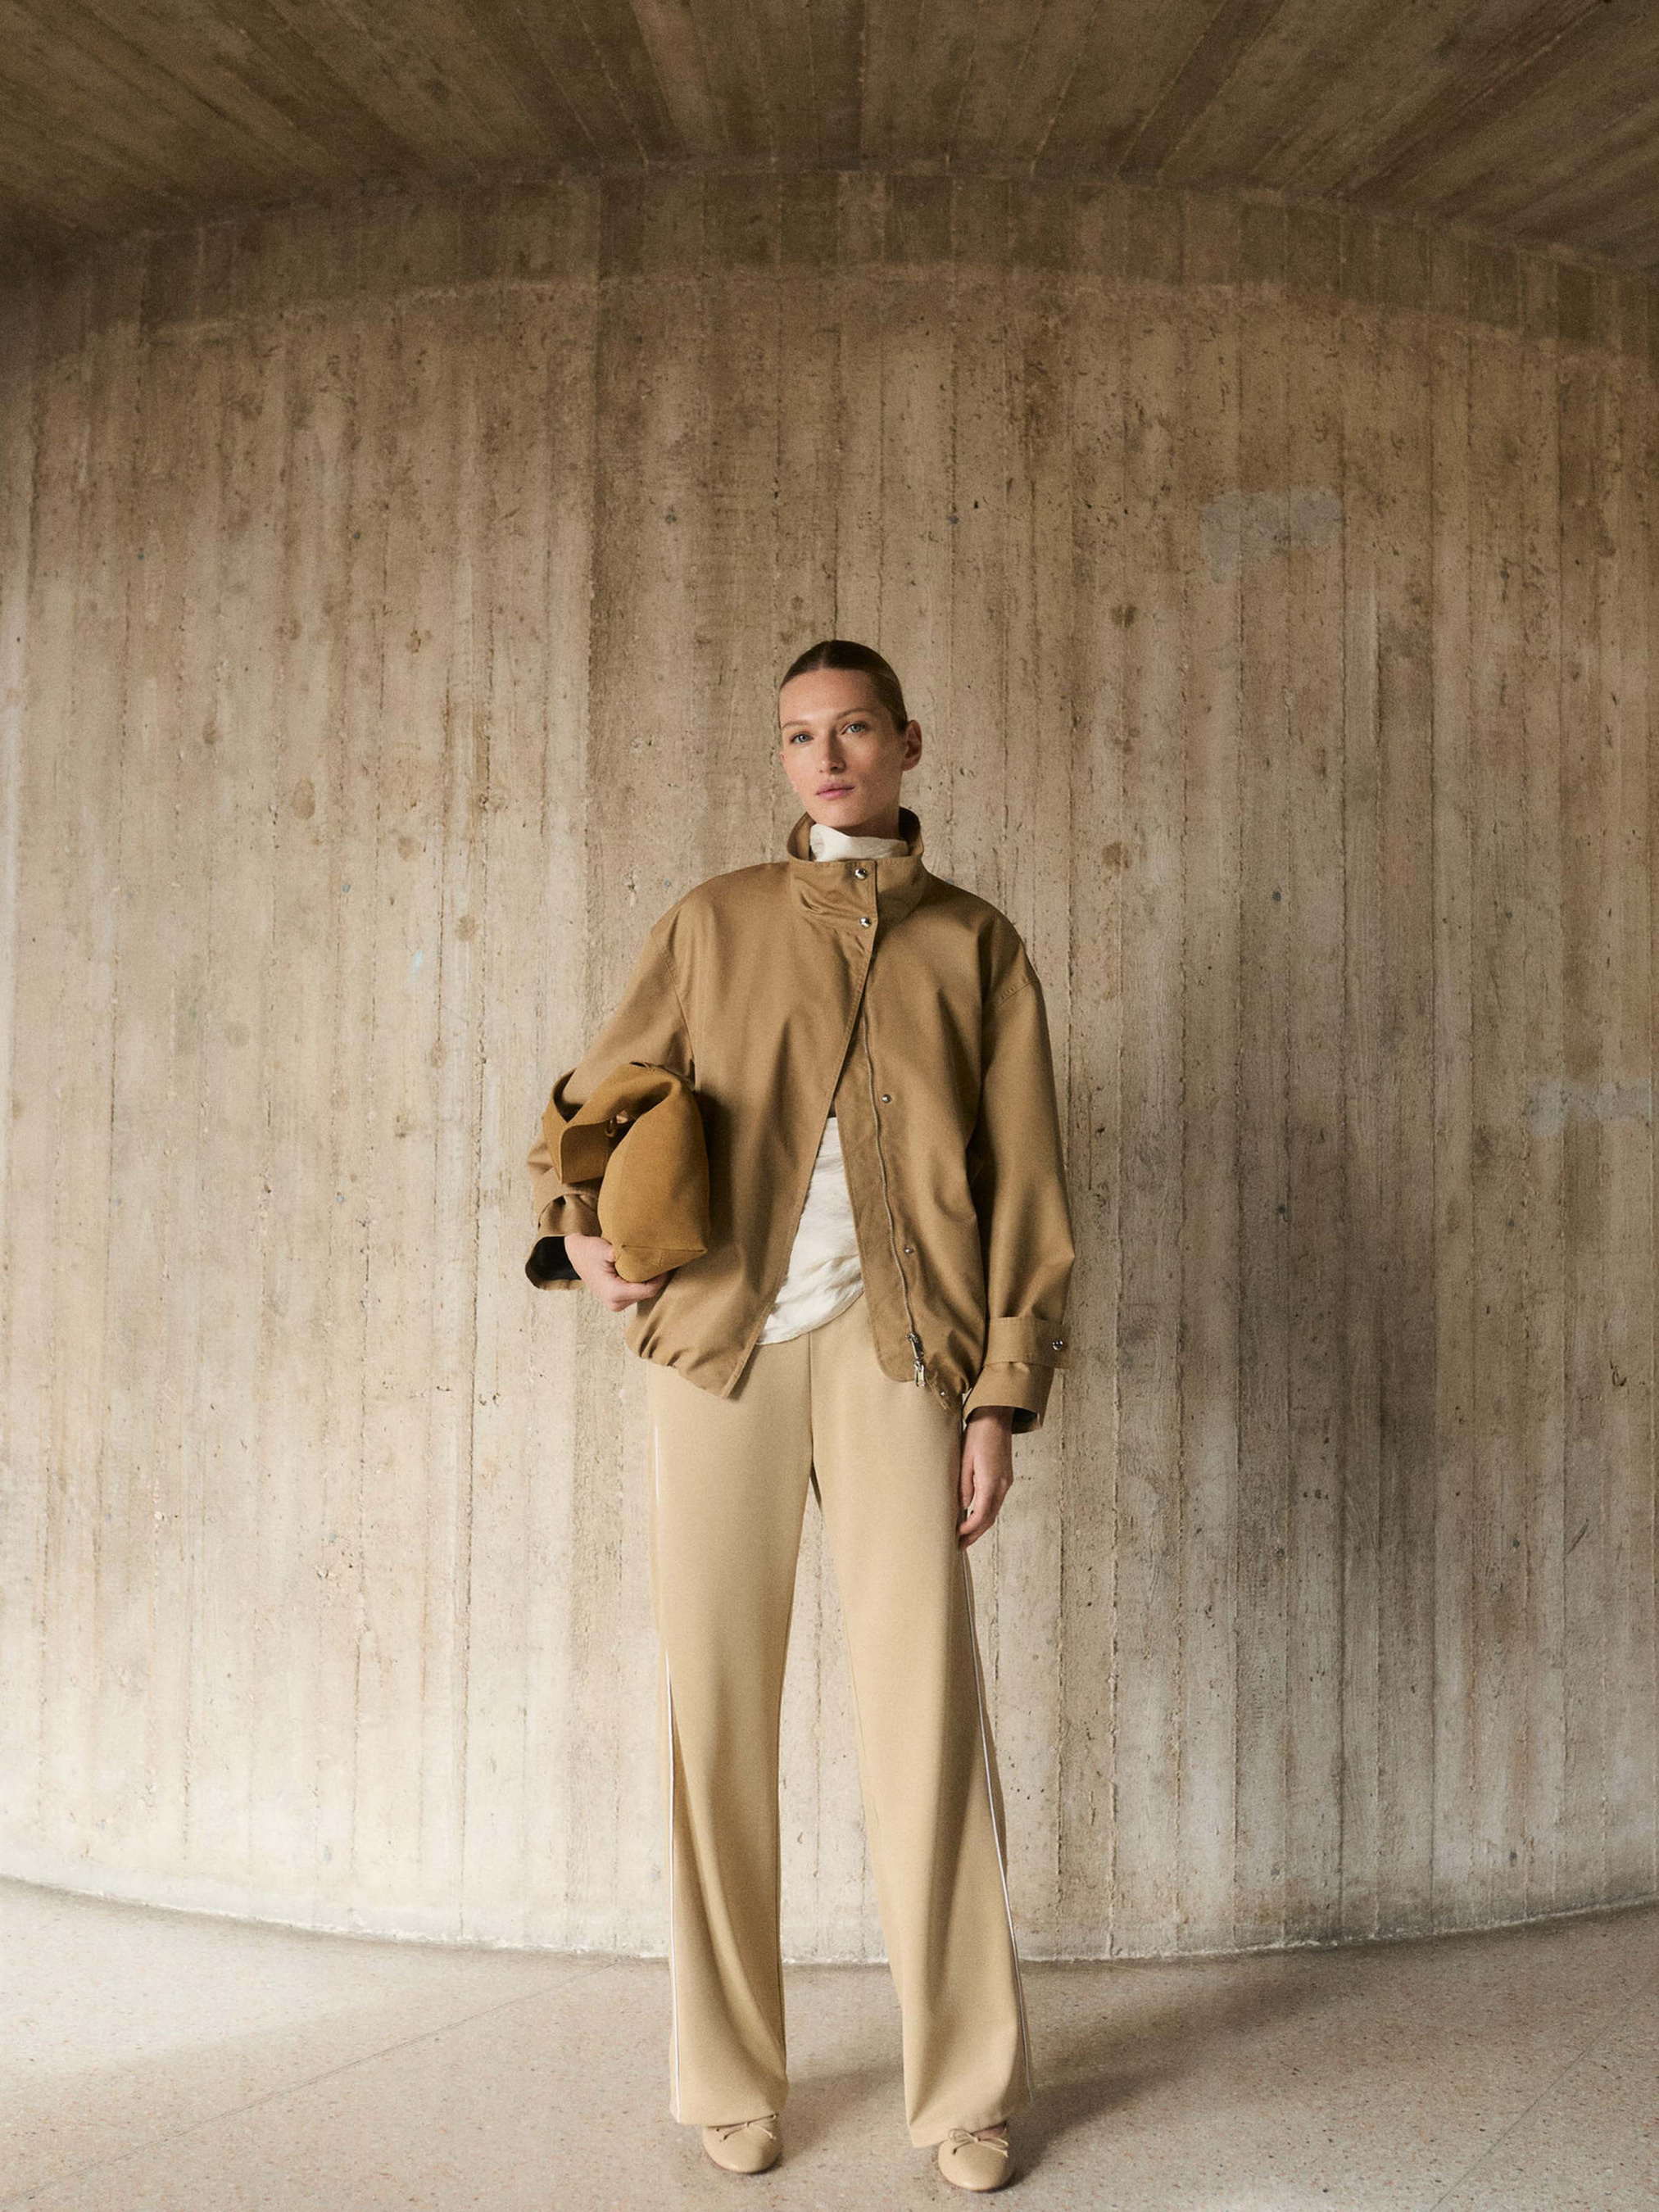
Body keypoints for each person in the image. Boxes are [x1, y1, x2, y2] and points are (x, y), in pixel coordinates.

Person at [526, 639, 1076, 2192]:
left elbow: (1027, 1184)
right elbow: (594, 1102)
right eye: (796, 737)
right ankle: (724, 2074)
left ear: (908, 742)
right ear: (780, 757)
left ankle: (962, 2093)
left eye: (852, 730)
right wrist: (576, 1228)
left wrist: (998, 1396)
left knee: (928, 1721)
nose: (825, 759)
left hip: (904, 1356)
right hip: (721, 1350)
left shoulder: (974, 945)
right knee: (714, 1717)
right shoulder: (713, 922)